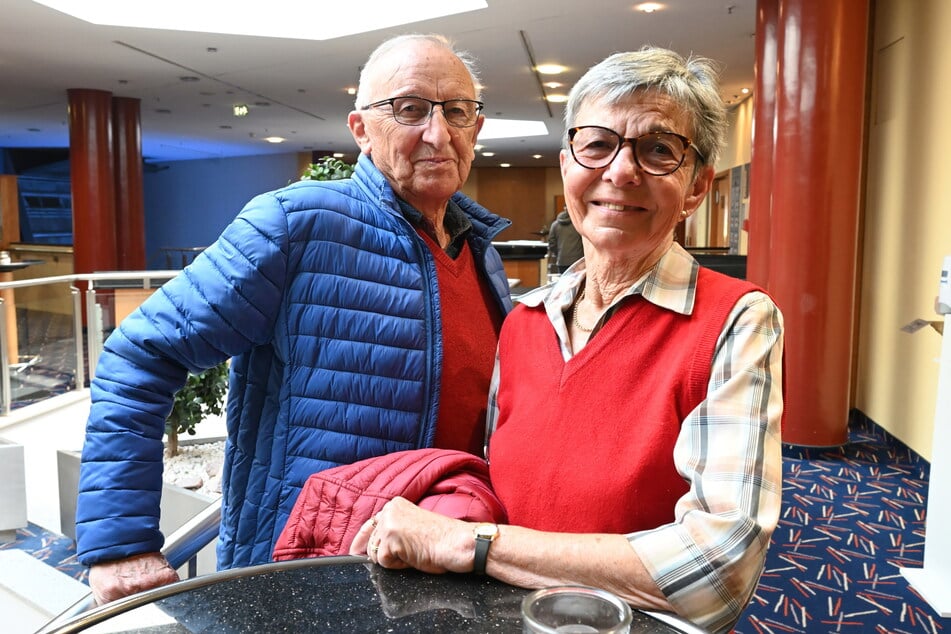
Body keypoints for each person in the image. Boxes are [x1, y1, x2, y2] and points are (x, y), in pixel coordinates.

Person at [349, 47, 785, 634]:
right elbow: (494, 480)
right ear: (567, 167)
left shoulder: (737, 321)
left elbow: (719, 573)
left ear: (697, 187)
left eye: (659, 150)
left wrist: (475, 544)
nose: (621, 171)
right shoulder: (524, 321)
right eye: (597, 144)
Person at [76, 33, 513, 604]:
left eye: (457, 111)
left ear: (475, 128)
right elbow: (142, 352)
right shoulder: (295, 223)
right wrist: (120, 543)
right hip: (304, 576)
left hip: (437, 580)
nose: (438, 133)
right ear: (361, 129)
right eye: (409, 110)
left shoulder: (482, 254)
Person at [546, 207, 584, 275]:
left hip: (562, 261)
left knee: (564, 283)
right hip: (577, 261)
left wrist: (559, 254)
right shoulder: (578, 224)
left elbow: (551, 243)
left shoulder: (555, 225)